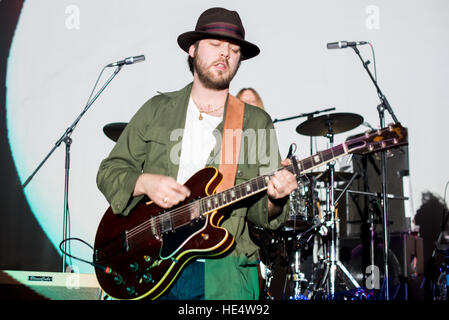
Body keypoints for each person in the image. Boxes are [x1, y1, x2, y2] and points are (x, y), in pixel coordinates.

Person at [96, 7, 297, 300]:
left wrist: (276, 199)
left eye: (233, 49)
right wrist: (144, 183)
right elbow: (110, 170)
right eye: (215, 45)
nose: (225, 54)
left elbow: (261, 214)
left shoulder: (255, 122)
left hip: (223, 274)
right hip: (153, 266)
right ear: (192, 49)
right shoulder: (157, 110)